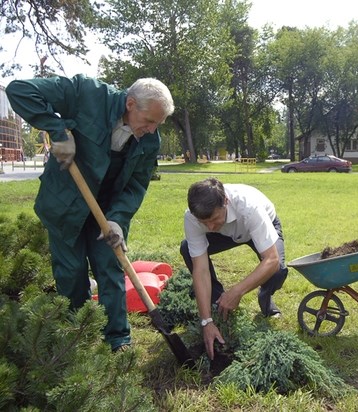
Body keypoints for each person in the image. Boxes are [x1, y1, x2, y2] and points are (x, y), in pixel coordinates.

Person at [6, 74, 174, 352]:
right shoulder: (86, 93)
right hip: (65, 203)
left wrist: (118, 219)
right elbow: (20, 90)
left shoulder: (149, 140)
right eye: (149, 121)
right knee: (71, 273)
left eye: (158, 123)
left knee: (110, 267)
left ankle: (117, 339)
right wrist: (58, 132)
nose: (152, 129)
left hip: (106, 211)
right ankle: (77, 338)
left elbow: (136, 185)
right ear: (130, 103)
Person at [180, 177, 288, 359]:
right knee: (187, 249)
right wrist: (205, 321)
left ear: (226, 202)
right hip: (227, 233)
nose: (210, 227)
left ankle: (265, 298)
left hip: (259, 226)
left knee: (277, 271)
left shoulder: (249, 207)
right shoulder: (192, 218)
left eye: (214, 219)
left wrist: (237, 291)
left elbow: (271, 259)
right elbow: (201, 270)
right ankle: (218, 306)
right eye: (204, 223)